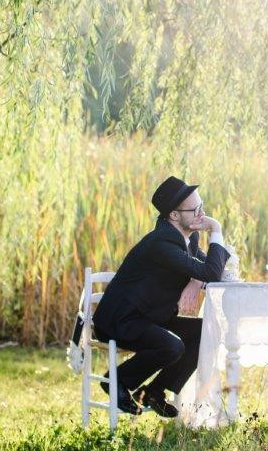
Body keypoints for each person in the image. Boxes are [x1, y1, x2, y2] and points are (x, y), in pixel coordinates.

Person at [92, 176, 230, 417]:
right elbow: (212, 272)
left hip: (152, 316)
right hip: (122, 320)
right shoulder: (162, 243)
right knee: (173, 345)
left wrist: (195, 281)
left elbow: (207, 270)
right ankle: (116, 381)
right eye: (195, 209)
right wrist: (216, 228)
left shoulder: (189, 237)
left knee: (209, 331)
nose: (202, 214)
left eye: (202, 206)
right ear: (174, 216)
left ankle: (155, 391)